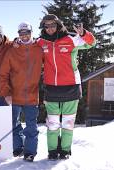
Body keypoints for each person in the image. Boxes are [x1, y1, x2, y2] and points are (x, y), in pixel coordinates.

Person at [37, 14, 96, 160]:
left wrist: (83, 33)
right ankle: (52, 150)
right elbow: (25, 46)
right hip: (51, 88)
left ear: (58, 25)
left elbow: (91, 43)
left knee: (68, 123)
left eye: (53, 25)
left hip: (71, 87)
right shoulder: (40, 42)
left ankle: (65, 150)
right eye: (47, 26)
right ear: (43, 27)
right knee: (52, 124)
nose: (50, 28)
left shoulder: (71, 39)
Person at [0, 22, 44, 162]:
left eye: (27, 33)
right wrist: (6, 93)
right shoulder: (12, 51)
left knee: (31, 125)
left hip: (32, 95)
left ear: (31, 32)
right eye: (21, 33)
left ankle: (30, 152)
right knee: (14, 123)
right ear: (18, 34)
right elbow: (3, 74)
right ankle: (17, 147)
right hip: (15, 95)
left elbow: (50, 65)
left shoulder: (39, 49)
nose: (24, 36)